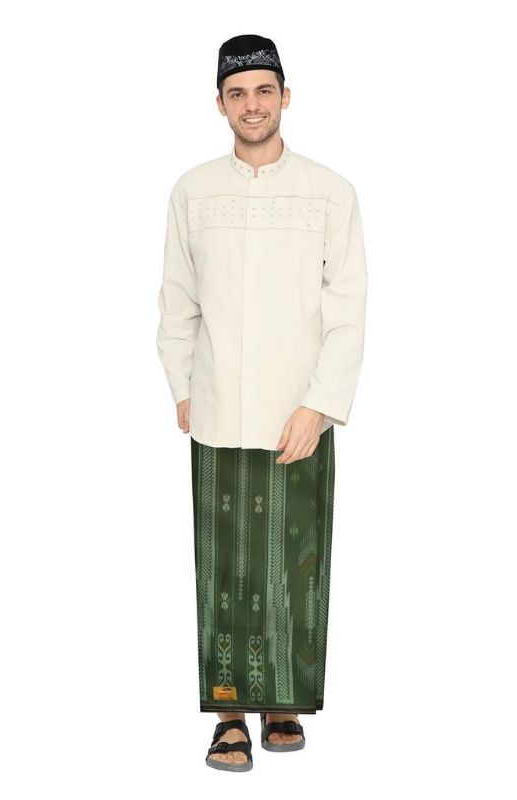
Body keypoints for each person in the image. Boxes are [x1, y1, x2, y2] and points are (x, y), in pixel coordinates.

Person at [156, 34, 368, 772]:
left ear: (285, 97)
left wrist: (321, 405)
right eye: (237, 93)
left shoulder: (329, 192)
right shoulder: (193, 191)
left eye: (264, 91)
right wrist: (184, 386)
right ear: (220, 104)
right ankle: (228, 714)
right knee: (225, 569)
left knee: (294, 564)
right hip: (217, 408)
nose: (252, 105)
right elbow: (177, 301)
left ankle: (283, 702)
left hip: (297, 412)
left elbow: (347, 310)